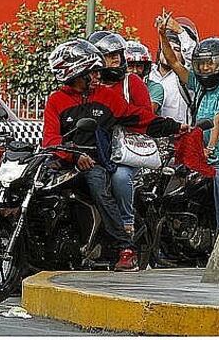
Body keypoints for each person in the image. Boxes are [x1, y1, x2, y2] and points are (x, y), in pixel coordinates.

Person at [43, 38, 189, 271]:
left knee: (99, 186)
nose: (97, 77)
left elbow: (138, 118)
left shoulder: (106, 97)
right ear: (76, 74)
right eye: (92, 72)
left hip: (95, 162)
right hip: (63, 161)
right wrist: (72, 156)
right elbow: (50, 139)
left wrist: (174, 126)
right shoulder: (56, 100)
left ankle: (125, 247)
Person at [157, 15, 219, 235]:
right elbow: (174, 62)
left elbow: (218, 123)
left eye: (209, 63)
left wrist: (209, 149)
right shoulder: (199, 85)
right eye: (200, 64)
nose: (204, 68)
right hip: (196, 157)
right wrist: (163, 35)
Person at [88, 32, 154, 235]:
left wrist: (119, 119)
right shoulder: (90, 84)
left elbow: (147, 117)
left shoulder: (131, 82)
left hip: (125, 151)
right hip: (94, 149)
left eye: (118, 53)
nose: (116, 58)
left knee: (120, 177)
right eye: (110, 55)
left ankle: (126, 222)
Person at [149, 14, 198, 124]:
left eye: (176, 49)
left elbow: (194, 58)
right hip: (149, 139)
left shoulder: (184, 78)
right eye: (167, 46)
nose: (170, 51)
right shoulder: (148, 74)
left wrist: (180, 31)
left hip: (179, 137)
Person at [125, 40, 165, 110]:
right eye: (130, 66)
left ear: (145, 68)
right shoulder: (116, 87)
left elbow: (148, 112)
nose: (135, 71)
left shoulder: (155, 88)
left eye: (139, 66)